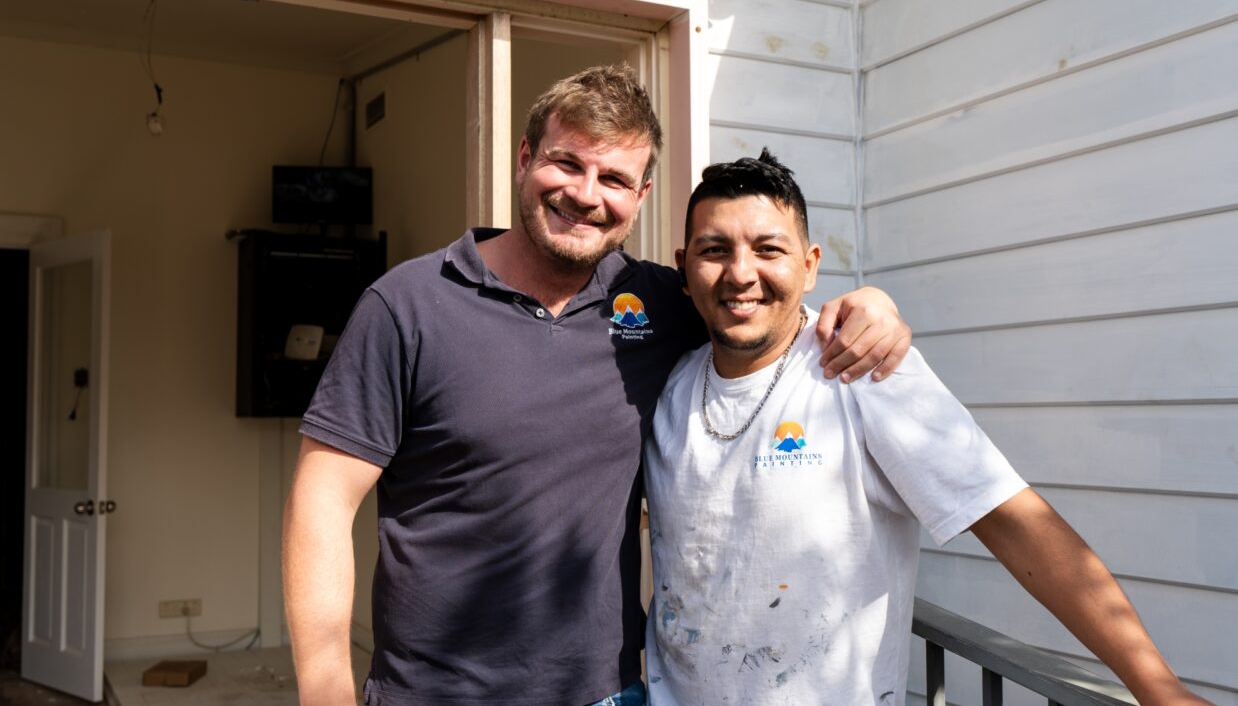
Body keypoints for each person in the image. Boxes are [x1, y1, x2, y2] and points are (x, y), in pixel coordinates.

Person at [282, 65, 913, 706]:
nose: (586, 195)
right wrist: (325, 687)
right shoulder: (408, 305)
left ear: (640, 195)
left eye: (613, 178)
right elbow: (323, 499)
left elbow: (761, 309)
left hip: (607, 694)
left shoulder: (660, 305)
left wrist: (870, 304)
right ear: (526, 159)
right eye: (567, 164)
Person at [643, 150, 1211, 706]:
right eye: (714, 250)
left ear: (810, 265)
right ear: (684, 269)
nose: (741, 273)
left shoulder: (863, 369)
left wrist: (1154, 685)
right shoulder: (665, 387)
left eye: (769, 249)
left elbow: (1010, 519)